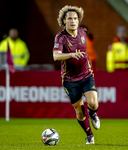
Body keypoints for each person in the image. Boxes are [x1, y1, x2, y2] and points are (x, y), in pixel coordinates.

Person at [53, 5, 100, 144]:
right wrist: (72, 55)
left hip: (86, 74)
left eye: (75, 18)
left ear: (78, 21)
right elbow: (56, 56)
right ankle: (89, 135)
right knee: (79, 112)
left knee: (92, 103)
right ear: (64, 21)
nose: (73, 21)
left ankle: (93, 114)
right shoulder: (60, 37)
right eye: (69, 19)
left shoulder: (83, 31)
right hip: (70, 80)